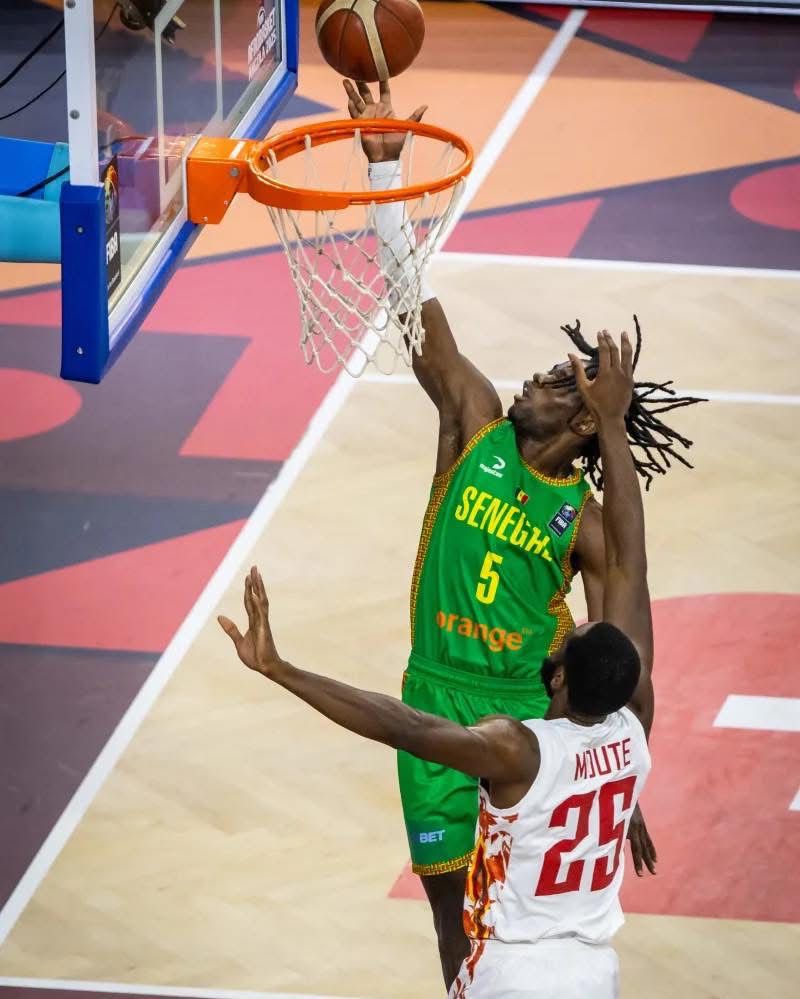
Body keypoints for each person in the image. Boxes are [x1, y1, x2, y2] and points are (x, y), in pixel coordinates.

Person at [339, 79, 701, 984]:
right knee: (447, 929)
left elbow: (626, 642)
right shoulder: (475, 422)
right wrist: (387, 181)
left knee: (494, 917)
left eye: (555, 382)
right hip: (432, 685)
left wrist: (621, 790)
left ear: (583, 424)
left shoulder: (580, 522)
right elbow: (419, 322)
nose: (536, 378)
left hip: (516, 715)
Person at [220, 331, 656, 999]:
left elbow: (400, 726)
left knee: (480, 910)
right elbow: (632, 592)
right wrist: (619, 792)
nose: (534, 379)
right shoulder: (629, 738)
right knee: (447, 914)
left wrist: (283, 669)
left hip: (506, 726)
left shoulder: (524, 740)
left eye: (553, 380)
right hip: (591, 969)